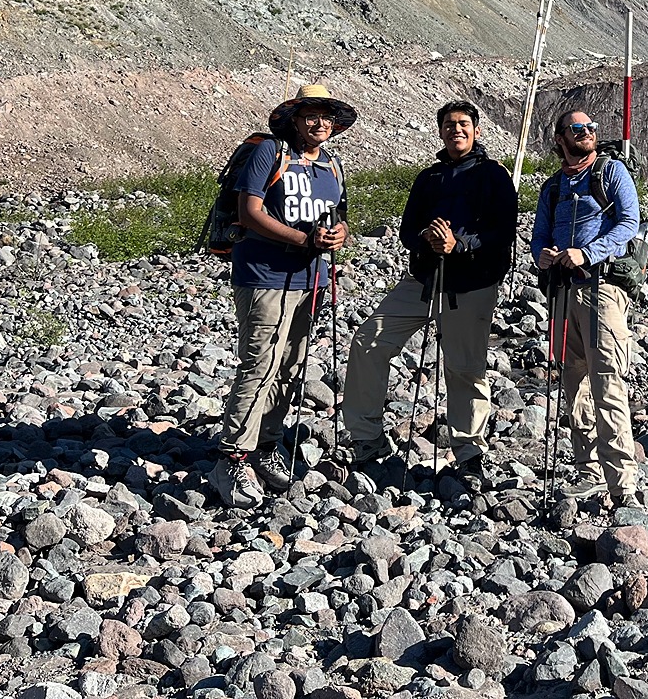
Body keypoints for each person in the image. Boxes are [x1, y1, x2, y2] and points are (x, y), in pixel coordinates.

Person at [342, 99, 516, 488]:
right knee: (369, 340)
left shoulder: (494, 176)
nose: (457, 130)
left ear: (476, 130)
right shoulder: (429, 178)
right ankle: (366, 438)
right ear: (440, 131)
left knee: (465, 367)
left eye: (464, 124)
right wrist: (426, 238)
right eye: (450, 124)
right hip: (422, 280)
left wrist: (459, 244)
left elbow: (502, 232)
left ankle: (469, 453)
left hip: (470, 284)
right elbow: (408, 229)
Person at [211, 83, 353, 510]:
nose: (320, 122)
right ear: (293, 117)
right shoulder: (269, 152)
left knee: (291, 366)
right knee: (260, 364)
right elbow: (248, 212)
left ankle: (266, 443)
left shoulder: (331, 165)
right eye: (311, 114)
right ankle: (232, 456)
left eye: (327, 116)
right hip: (265, 275)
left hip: (312, 279)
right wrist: (303, 240)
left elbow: (338, 217)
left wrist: (338, 235)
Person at [531, 108, 642, 507]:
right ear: (560, 138)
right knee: (573, 378)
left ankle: (623, 482)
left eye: (591, 127)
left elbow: (630, 222)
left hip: (601, 286)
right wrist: (541, 254)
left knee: (608, 378)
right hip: (562, 291)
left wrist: (587, 253)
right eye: (579, 128)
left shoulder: (611, 173)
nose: (588, 132)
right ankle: (589, 470)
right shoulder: (553, 187)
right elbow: (539, 233)